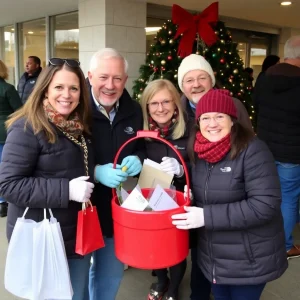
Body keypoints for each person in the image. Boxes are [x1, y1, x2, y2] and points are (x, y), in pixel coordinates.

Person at [172, 88, 288, 300]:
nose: (212, 124)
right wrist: (189, 191)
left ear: (232, 120)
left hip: (248, 258)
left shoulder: (253, 150)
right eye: (205, 118)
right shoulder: (199, 150)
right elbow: (210, 191)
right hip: (215, 257)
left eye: (219, 116)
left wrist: (206, 216)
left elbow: (265, 205)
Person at [0, 58, 95, 300]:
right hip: (42, 238)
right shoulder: (27, 126)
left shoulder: (76, 124)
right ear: (45, 89)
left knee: (78, 294)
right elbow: (9, 185)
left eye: (73, 88)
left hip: (75, 235)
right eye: (59, 87)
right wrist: (66, 191)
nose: (67, 95)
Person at [177, 53, 253, 300]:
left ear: (212, 80)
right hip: (194, 189)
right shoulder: (178, 107)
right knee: (200, 248)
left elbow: (245, 147)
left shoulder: (233, 106)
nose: (196, 84)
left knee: (217, 247)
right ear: (182, 85)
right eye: (189, 80)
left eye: (202, 78)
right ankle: (199, 294)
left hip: (227, 190)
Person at [87, 48, 144, 300]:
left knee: (109, 278)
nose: (110, 85)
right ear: (89, 77)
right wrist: (95, 172)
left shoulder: (134, 110)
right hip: (80, 213)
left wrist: (140, 159)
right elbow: (59, 160)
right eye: (103, 77)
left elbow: (142, 146)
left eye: (117, 78)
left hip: (117, 212)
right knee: (75, 285)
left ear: (126, 79)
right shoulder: (75, 109)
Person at [140, 79, 189, 300]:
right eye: (154, 103)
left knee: (176, 248)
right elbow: (134, 161)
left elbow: (202, 165)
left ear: (176, 103)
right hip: (152, 196)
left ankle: (173, 289)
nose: (160, 108)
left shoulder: (190, 127)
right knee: (155, 245)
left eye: (166, 101)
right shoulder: (142, 131)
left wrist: (181, 169)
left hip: (182, 199)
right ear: (147, 106)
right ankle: (161, 281)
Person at [254, 36, 300, 258]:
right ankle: (285, 245)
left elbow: (256, 106)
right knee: (288, 198)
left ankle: (262, 239)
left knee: (265, 194)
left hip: (264, 148)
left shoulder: (264, 77)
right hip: (292, 152)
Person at [0, 60, 22, 217]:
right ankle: (3, 202)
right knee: (5, 169)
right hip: (5, 133)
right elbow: (20, 111)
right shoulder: (7, 88)